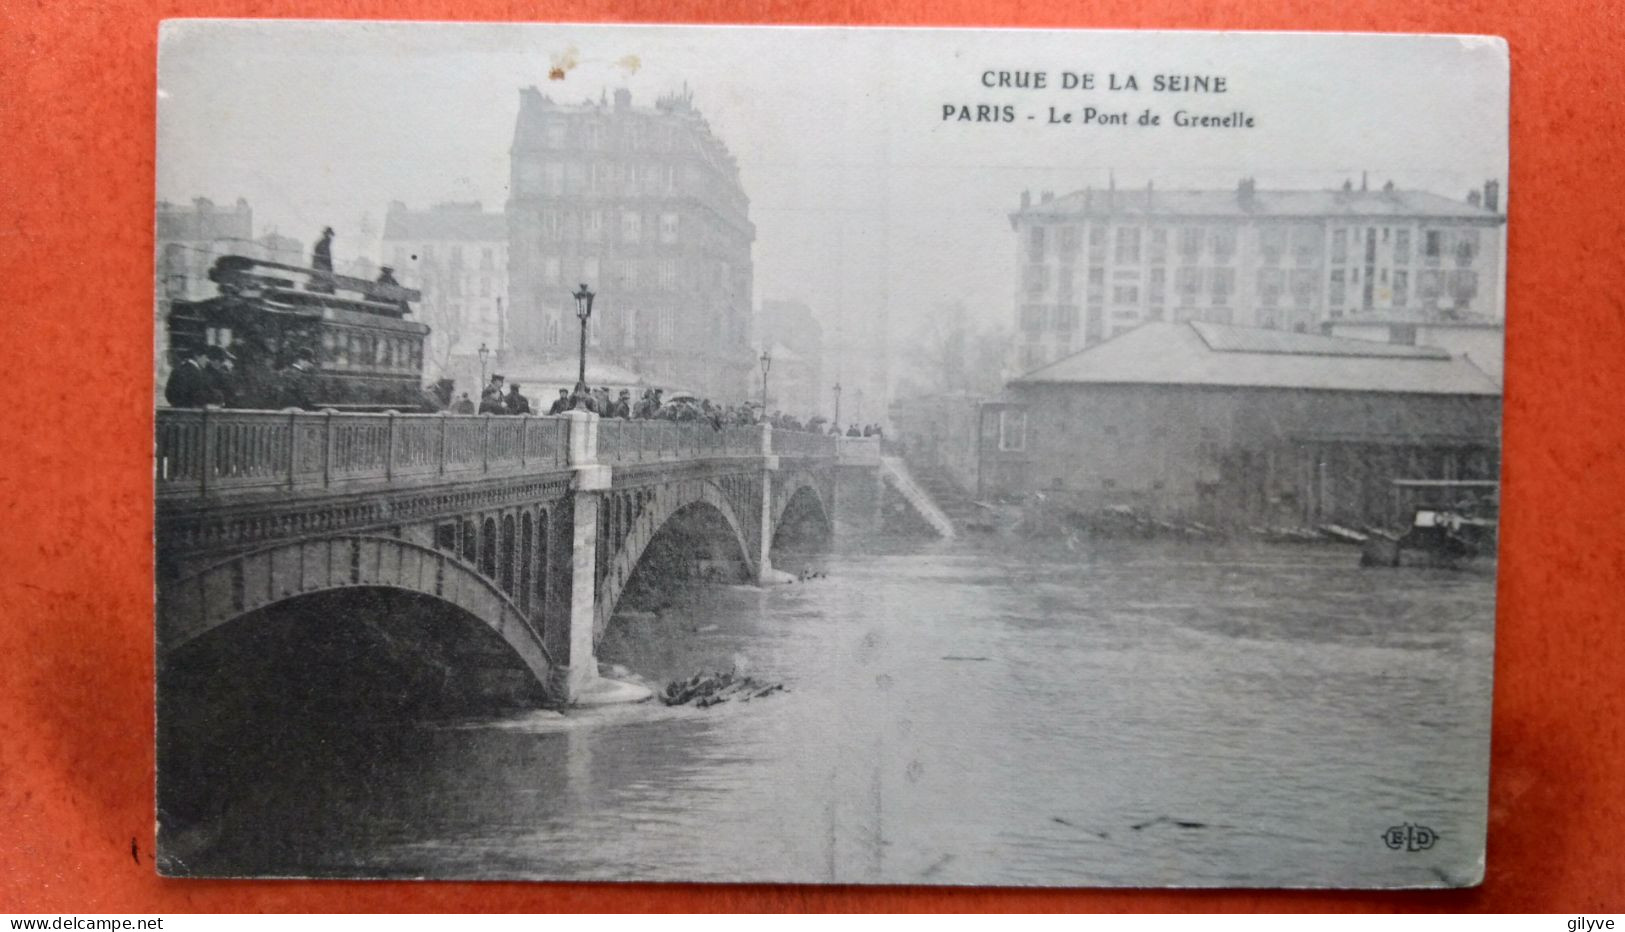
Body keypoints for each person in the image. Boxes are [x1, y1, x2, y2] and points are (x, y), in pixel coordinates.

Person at [309, 226, 335, 294]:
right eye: (329, 235)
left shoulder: (323, 243)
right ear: (326, 235)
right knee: (327, 282)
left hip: (320, 267)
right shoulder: (323, 244)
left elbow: (327, 258)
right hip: (320, 267)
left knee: (328, 282)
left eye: (330, 235)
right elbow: (325, 258)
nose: (330, 237)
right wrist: (329, 269)